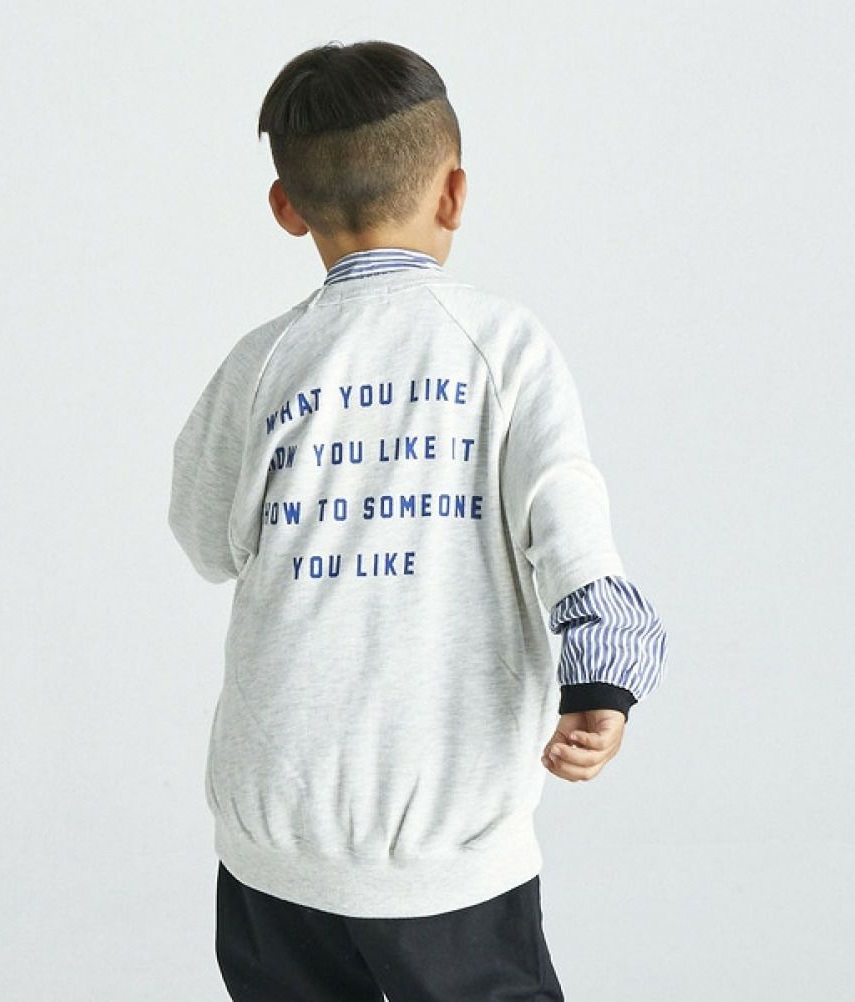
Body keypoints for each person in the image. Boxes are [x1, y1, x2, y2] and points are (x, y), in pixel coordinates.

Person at [168, 38, 668, 1002]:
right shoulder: (504, 346)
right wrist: (601, 678)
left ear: (286, 208)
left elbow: (204, 541)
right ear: (454, 193)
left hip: (275, 832)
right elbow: (568, 522)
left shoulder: (262, 363)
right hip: (449, 836)